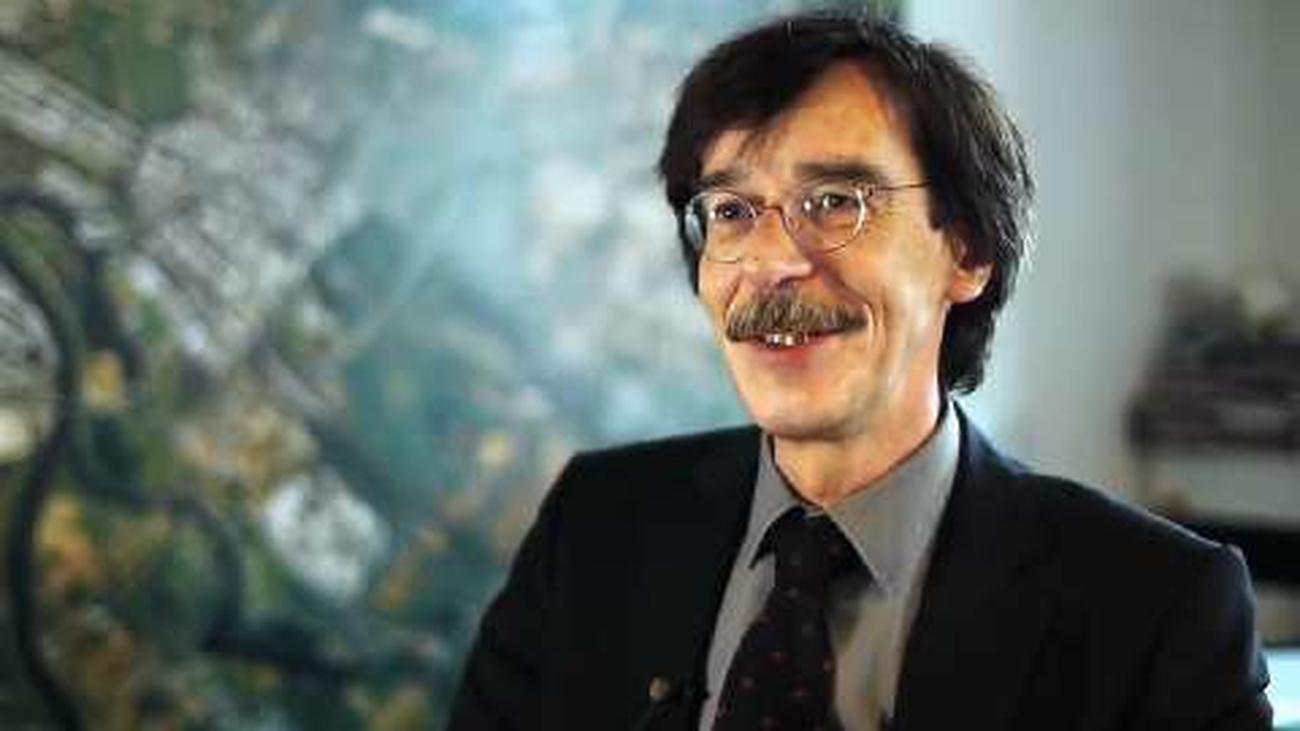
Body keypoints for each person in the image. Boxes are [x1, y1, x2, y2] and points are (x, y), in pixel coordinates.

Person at [449, 11, 1272, 731]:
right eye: (732, 211)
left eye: (835, 202)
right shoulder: (595, 528)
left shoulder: (1156, 607)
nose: (771, 261)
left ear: (968, 251)